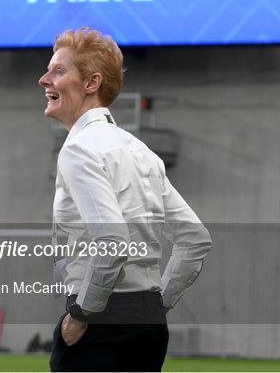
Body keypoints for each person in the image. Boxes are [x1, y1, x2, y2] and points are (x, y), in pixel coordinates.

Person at [39, 27, 212, 372]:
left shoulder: (78, 149)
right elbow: (195, 239)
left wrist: (81, 314)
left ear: (91, 83)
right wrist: (155, 306)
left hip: (100, 324)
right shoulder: (142, 152)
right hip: (147, 325)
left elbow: (112, 241)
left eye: (58, 71)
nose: (44, 79)